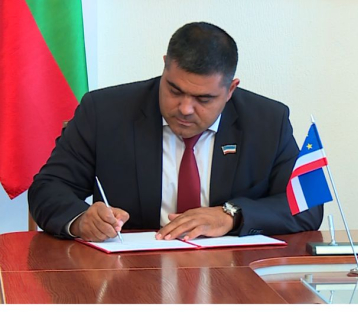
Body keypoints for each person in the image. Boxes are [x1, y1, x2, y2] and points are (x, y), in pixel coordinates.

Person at [29, 22, 322, 242]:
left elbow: (308, 206)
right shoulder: (105, 112)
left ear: (230, 90)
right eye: (174, 90)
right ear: (165, 67)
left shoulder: (267, 121)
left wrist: (231, 216)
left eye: (203, 99)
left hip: (232, 275)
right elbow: (48, 188)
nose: (185, 108)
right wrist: (81, 219)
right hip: (130, 274)